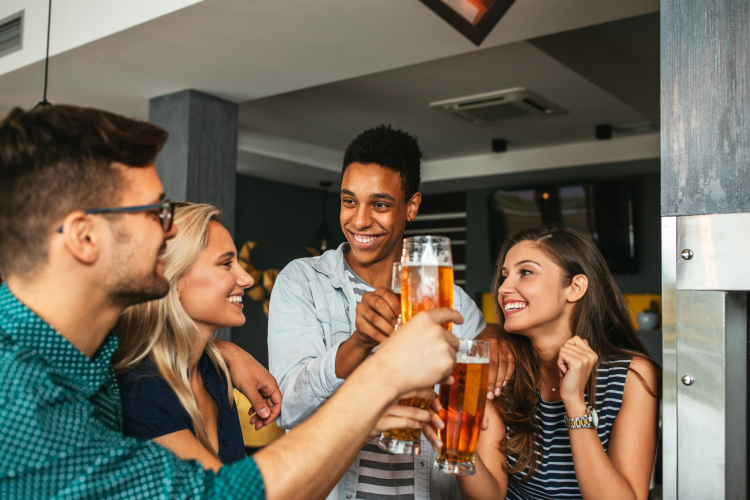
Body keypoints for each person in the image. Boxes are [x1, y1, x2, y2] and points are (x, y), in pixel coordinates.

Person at [0, 105, 462, 500]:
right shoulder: (18, 404)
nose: (170, 229)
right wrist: (382, 376)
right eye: (155, 212)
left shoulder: (79, 356)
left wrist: (218, 349)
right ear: (84, 237)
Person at [267, 125, 513, 500]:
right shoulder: (303, 282)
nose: (360, 220)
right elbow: (287, 409)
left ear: (411, 206)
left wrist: (496, 333)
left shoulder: (453, 303)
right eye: (349, 201)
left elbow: (476, 404)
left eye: (379, 205)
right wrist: (358, 343)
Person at [454, 225, 660, 500]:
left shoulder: (631, 376)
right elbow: (488, 496)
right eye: (504, 276)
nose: (503, 289)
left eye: (525, 272)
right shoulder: (502, 368)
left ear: (575, 287)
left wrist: (574, 402)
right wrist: (457, 448)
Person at [113, 202, 255, 467]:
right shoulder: (140, 387)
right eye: (226, 263)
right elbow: (227, 492)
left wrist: (229, 352)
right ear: (172, 281)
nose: (247, 278)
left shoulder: (214, 373)